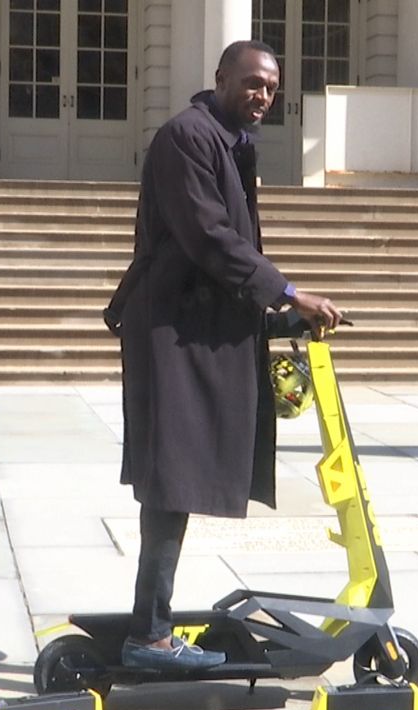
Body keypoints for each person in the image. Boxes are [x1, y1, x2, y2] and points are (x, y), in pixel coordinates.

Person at [106, 39, 343, 671]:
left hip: (200, 326)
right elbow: (207, 235)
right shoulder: (187, 136)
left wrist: (277, 313)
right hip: (171, 333)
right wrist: (287, 289)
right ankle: (149, 636)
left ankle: (150, 627)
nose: (263, 94)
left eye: (271, 86)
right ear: (220, 78)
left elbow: (225, 246)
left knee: (175, 480)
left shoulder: (232, 143)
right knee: (169, 479)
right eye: (252, 82)